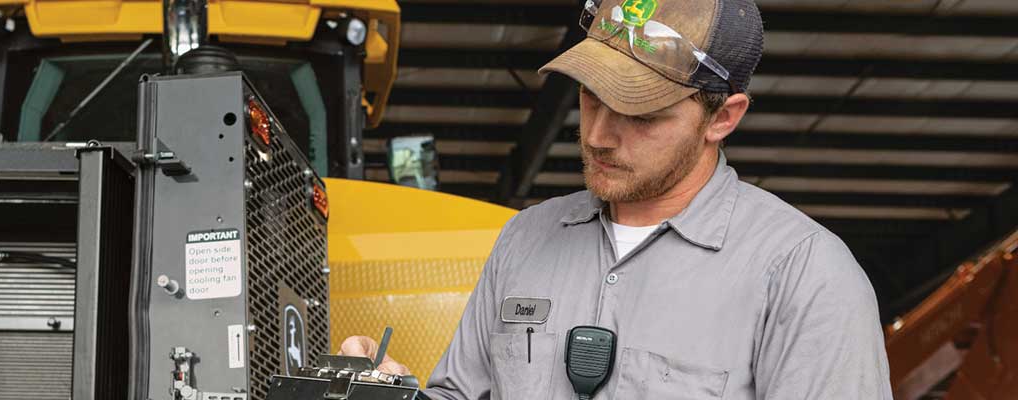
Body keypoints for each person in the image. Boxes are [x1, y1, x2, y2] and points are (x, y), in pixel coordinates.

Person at [340, 0, 894, 398]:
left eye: (641, 114)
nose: (600, 135)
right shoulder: (526, 239)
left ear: (722, 118)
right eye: (589, 97)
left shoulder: (804, 273)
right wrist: (392, 393)